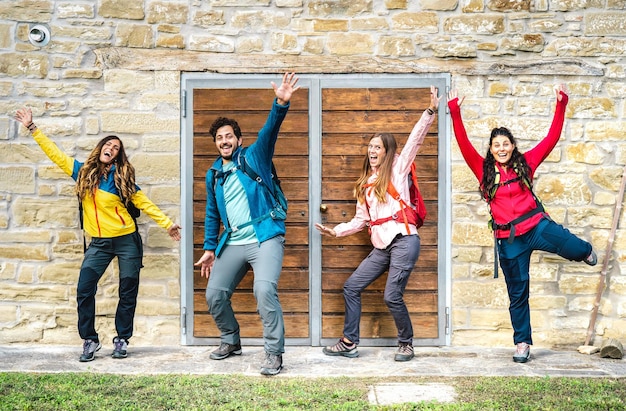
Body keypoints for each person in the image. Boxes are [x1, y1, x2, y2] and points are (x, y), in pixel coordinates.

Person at [14, 108, 181, 362]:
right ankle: (90, 340)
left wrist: (167, 224)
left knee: (128, 290)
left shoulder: (121, 179)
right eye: (108, 144)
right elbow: (55, 154)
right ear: (100, 147)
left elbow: (144, 202)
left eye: (116, 148)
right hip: (99, 243)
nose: (111, 148)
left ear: (117, 157)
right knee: (84, 289)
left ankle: (122, 338)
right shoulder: (82, 172)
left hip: (127, 241)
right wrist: (32, 128)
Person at [447, 84, 597, 363]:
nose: (501, 148)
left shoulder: (526, 164)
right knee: (518, 293)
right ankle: (522, 343)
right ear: (491, 150)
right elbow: (463, 141)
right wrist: (455, 111)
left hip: (537, 227)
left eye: (506, 144)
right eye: (496, 145)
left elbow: (551, 139)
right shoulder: (483, 172)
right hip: (510, 240)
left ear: (512, 146)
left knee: (573, 247)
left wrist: (561, 104)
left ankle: (586, 251)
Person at [316, 86, 441, 362]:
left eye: (377, 147)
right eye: (370, 146)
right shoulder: (366, 184)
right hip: (382, 247)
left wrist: (430, 112)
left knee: (391, 295)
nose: (372, 150)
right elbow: (361, 220)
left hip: (404, 240)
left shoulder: (398, 169)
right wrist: (335, 231)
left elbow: (414, 142)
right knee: (351, 286)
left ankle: (406, 343)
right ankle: (349, 342)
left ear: (386, 152)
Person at [194, 72, 300, 376]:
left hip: (265, 236)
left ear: (238, 140)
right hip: (234, 241)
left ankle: (273, 353)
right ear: (216, 144)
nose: (224, 141)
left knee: (264, 289)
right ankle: (231, 340)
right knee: (214, 294)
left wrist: (280, 102)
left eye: (229, 136)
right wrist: (210, 249)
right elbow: (212, 214)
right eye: (219, 138)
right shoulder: (213, 174)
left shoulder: (254, 156)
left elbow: (270, 129)